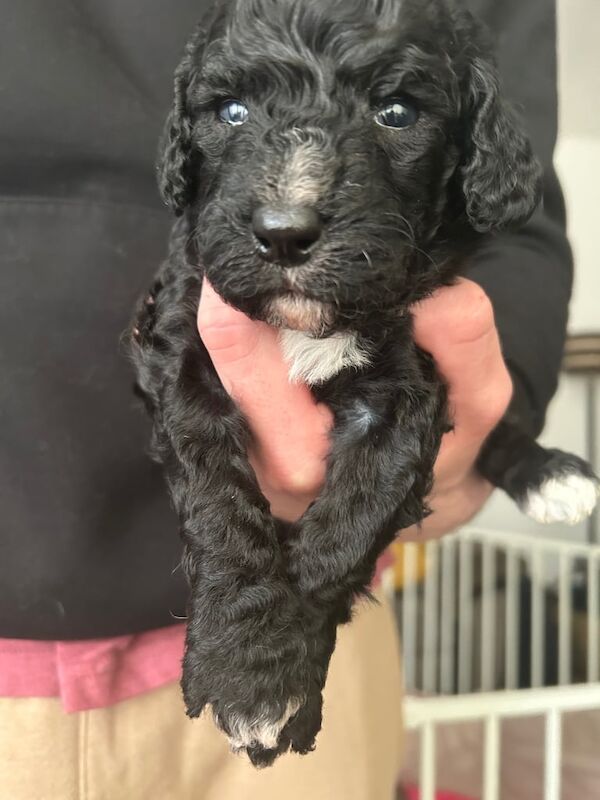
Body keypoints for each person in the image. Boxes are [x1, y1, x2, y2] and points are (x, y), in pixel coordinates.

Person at [0, 0, 572, 797]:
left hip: (334, 652)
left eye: (394, 109)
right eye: (233, 110)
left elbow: (515, 214)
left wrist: (486, 405)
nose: (289, 202)